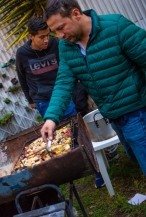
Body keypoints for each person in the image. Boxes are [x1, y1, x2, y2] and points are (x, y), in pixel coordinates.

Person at [40, 0, 146, 216]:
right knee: (137, 156)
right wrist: (51, 118)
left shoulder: (116, 27)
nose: (59, 36)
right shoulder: (67, 46)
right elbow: (64, 82)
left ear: (76, 14)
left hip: (137, 109)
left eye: (61, 27)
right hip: (113, 114)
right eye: (55, 32)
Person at [16, 16, 104, 189]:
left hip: (64, 96)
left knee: (78, 134)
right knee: (57, 139)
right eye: (41, 37)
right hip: (43, 101)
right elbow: (22, 78)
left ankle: (98, 171)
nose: (46, 40)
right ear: (31, 36)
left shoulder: (58, 44)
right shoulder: (22, 54)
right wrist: (30, 99)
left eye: (47, 35)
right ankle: (70, 172)